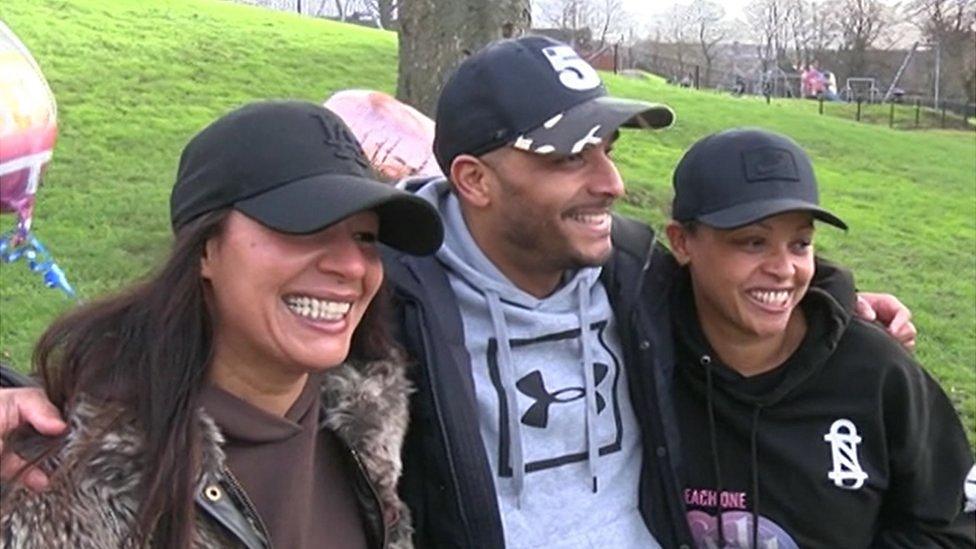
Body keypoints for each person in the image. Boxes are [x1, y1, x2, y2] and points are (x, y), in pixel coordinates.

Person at [0, 37, 916, 548]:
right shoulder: (395, 291)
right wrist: (27, 396)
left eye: (611, 149)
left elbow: (745, 264)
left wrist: (830, 297)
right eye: (569, 154)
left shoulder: (633, 267)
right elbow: (194, 349)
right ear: (474, 180)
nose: (608, 182)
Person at [0, 100, 443, 548]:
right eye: (307, 227)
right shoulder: (75, 474)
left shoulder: (373, 422)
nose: (352, 265)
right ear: (205, 250)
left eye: (365, 237)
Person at [663, 128, 975, 548]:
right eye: (753, 242)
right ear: (682, 242)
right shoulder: (646, 348)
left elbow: (950, 523)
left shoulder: (876, 371)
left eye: (800, 243)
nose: (784, 268)